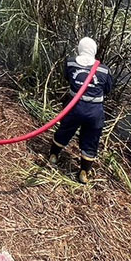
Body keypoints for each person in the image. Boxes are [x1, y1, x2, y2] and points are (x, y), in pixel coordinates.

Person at [48, 37, 112, 183]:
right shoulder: (104, 70)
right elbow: (107, 89)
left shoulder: (71, 62)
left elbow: (67, 78)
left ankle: (53, 156)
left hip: (74, 107)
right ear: (94, 51)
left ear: (80, 49)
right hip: (94, 111)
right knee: (91, 139)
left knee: (64, 130)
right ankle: (83, 173)